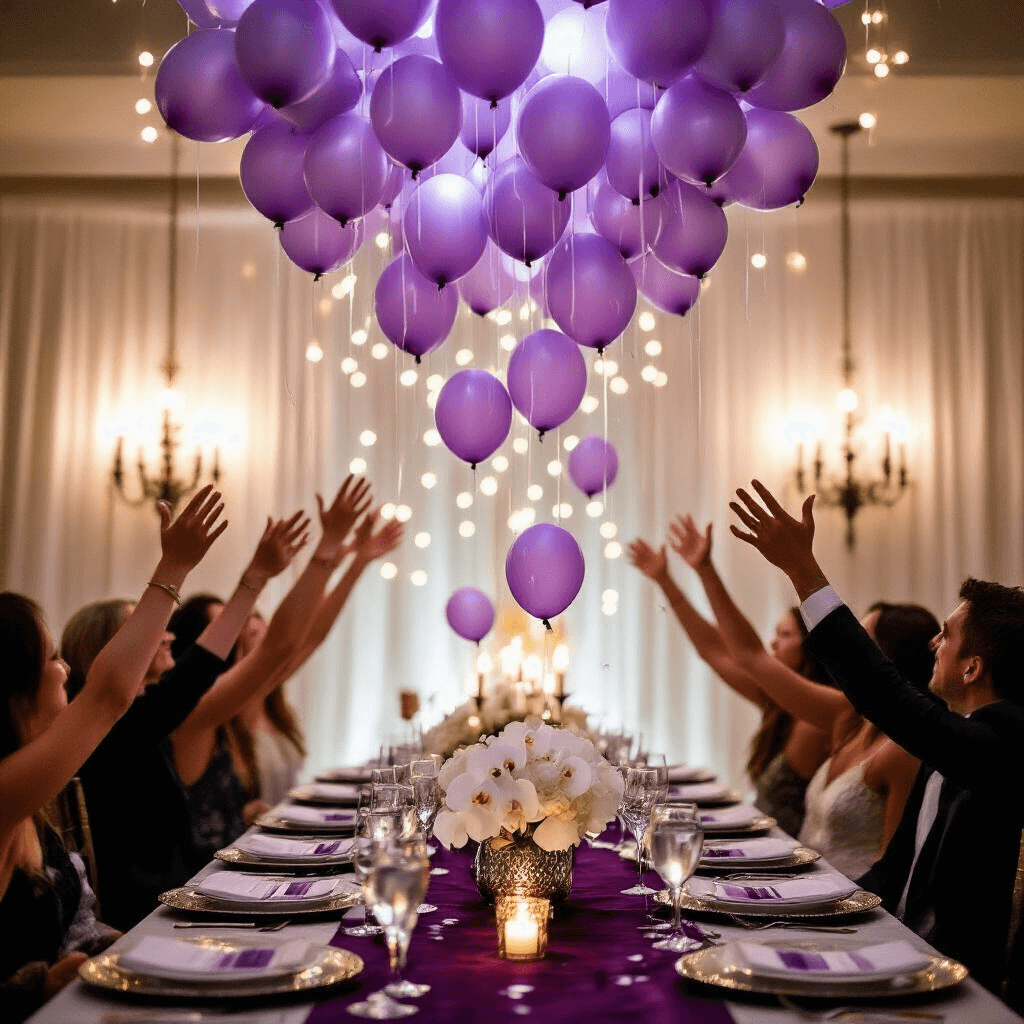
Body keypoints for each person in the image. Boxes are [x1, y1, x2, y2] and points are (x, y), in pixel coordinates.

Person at [728, 479, 1024, 1010]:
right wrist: (806, 909)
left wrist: (804, 572)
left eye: (949, 636)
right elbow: (894, 871)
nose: (936, 643)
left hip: (953, 989)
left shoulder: (1000, 742)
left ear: (973, 667)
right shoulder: (955, 736)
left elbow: (880, 692)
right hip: (893, 950)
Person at [0, 486, 225, 1020]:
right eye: (50, 656)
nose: (63, 668)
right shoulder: (8, 791)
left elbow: (84, 934)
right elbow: (109, 693)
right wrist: (174, 566)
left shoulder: (35, 806)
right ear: (13, 690)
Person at [63, 508, 309, 928]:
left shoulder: (138, 723)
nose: (168, 634)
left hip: (183, 904)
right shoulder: (113, 730)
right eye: (146, 625)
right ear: (104, 652)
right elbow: (193, 676)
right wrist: (248, 577)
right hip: (149, 923)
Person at [166, 476, 374, 867]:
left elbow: (301, 640)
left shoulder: (233, 709)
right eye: (231, 630)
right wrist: (326, 550)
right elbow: (285, 644)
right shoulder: (196, 715)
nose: (247, 634)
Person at [629, 529, 831, 837]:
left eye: (785, 635)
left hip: (785, 861)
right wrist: (666, 581)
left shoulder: (816, 721)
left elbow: (746, 654)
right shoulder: (778, 704)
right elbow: (714, 651)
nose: (773, 644)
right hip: (765, 847)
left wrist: (704, 572)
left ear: (811, 649)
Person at [228, 509, 404, 808]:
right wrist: (333, 561)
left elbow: (311, 634)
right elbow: (303, 637)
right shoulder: (239, 702)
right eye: (253, 642)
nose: (269, 650)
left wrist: (355, 563)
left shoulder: (271, 702)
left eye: (264, 633)